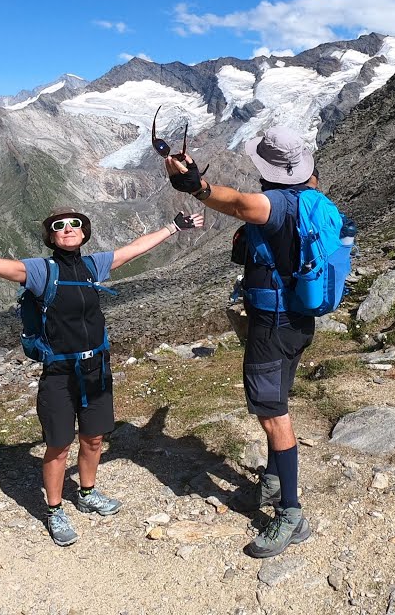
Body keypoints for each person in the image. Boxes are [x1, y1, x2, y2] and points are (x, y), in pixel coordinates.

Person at [0, 207, 203, 546]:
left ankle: (87, 493)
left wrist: (173, 226)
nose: (68, 229)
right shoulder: (43, 271)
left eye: (76, 224)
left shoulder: (93, 266)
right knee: (58, 446)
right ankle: (55, 509)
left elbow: (134, 249)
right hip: (59, 372)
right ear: (52, 236)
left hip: (96, 369)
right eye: (60, 226)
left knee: (94, 439)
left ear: (85, 233)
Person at [164, 125, 323, 559]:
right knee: (279, 401)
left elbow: (235, 202)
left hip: (271, 324)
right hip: (298, 319)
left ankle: (291, 513)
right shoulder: (312, 198)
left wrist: (195, 185)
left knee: (273, 414)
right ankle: (273, 480)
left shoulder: (273, 205)